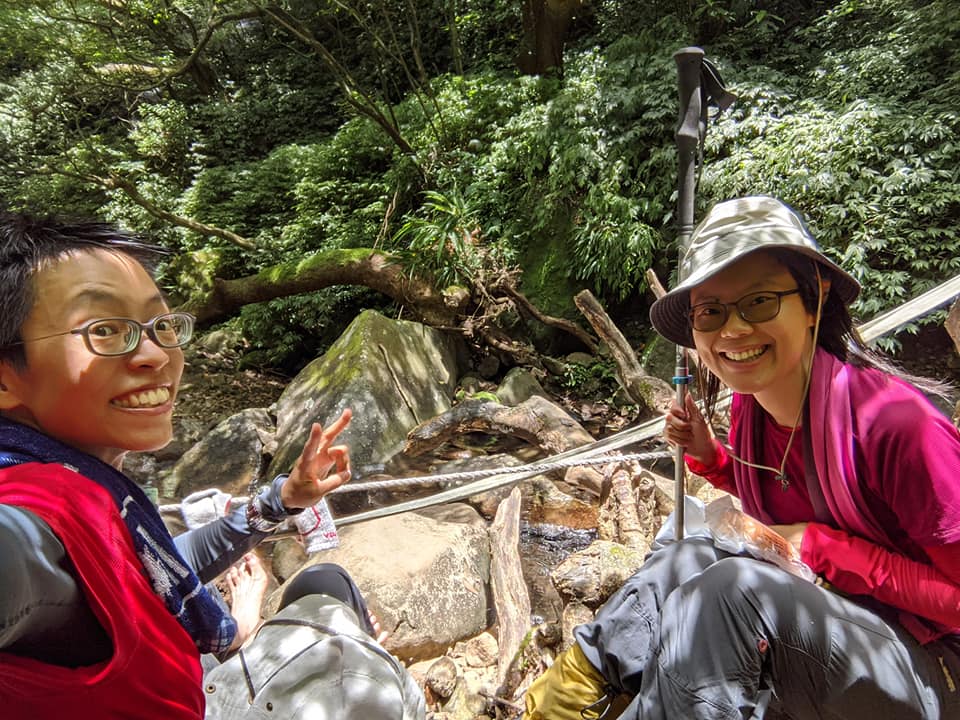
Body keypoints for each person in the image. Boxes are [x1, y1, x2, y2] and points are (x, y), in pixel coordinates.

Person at [524, 195, 960, 719]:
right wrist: (710, 456)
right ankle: (559, 704)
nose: (732, 331)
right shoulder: (756, 410)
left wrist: (826, 548)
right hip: (834, 626)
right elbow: (785, 490)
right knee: (685, 560)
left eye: (759, 302)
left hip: (931, 670)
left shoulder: (897, 426)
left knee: (731, 594)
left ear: (814, 296)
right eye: (711, 311)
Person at [0, 212, 377, 718]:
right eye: (105, 330)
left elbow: (129, 568)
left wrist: (281, 502)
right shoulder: (37, 505)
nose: (156, 354)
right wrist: (238, 625)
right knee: (336, 602)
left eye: (161, 324)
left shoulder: (90, 496)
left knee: (323, 584)